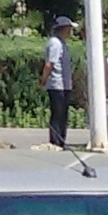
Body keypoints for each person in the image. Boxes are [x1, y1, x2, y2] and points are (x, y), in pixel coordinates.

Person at [42, 14, 74, 148]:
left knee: (63, 114)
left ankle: (62, 140)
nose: (71, 31)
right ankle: (55, 140)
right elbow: (50, 63)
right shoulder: (55, 43)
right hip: (57, 84)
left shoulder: (63, 43)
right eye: (69, 28)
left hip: (65, 84)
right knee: (57, 113)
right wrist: (44, 79)